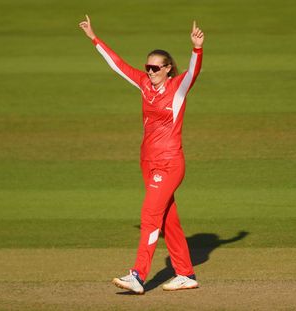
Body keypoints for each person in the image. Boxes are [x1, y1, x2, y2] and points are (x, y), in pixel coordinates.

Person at [79, 15, 204, 294]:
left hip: (170, 162)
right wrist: (94, 38)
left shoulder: (177, 88)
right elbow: (119, 66)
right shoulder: (145, 85)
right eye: (147, 67)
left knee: (150, 215)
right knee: (167, 219)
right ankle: (185, 273)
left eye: (155, 67)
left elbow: (194, 72)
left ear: (168, 69)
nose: (149, 71)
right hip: (147, 162)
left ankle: (138, 275)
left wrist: (196, 48)